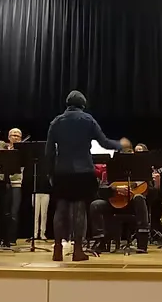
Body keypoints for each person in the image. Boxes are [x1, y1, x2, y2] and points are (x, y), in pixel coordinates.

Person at [45, 91, 121, 261]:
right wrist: (120, 144)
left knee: (61, 209)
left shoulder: (56, 122)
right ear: (83, 104)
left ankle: (57, 249)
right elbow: (104, 142)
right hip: (83, 171)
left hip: (62, 171)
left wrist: (50, 172)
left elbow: (49, 151)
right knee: (79, 209)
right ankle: (78, 250)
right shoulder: (88, 120)